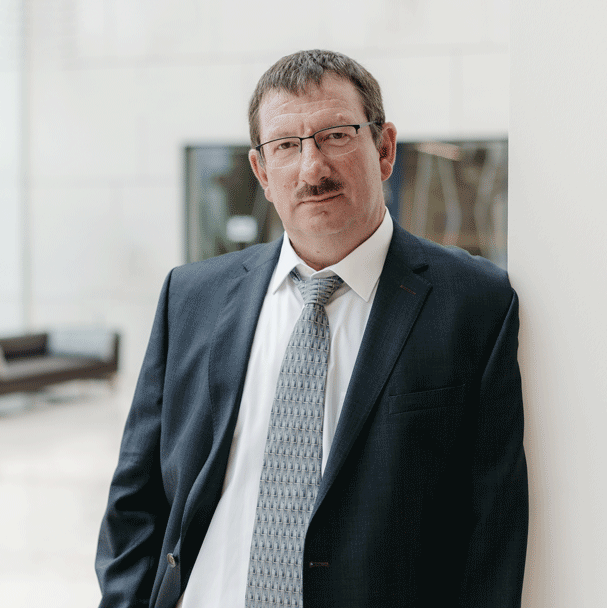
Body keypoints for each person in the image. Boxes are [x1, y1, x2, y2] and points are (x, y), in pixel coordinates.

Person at [96, 49, 527, 608]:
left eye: (336, 136)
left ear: (385, 149)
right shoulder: (191, 298)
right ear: (261, 172)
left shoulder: (474, 304)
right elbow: (137, 500)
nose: (312, 169)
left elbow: (491, 533)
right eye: (286, 145)